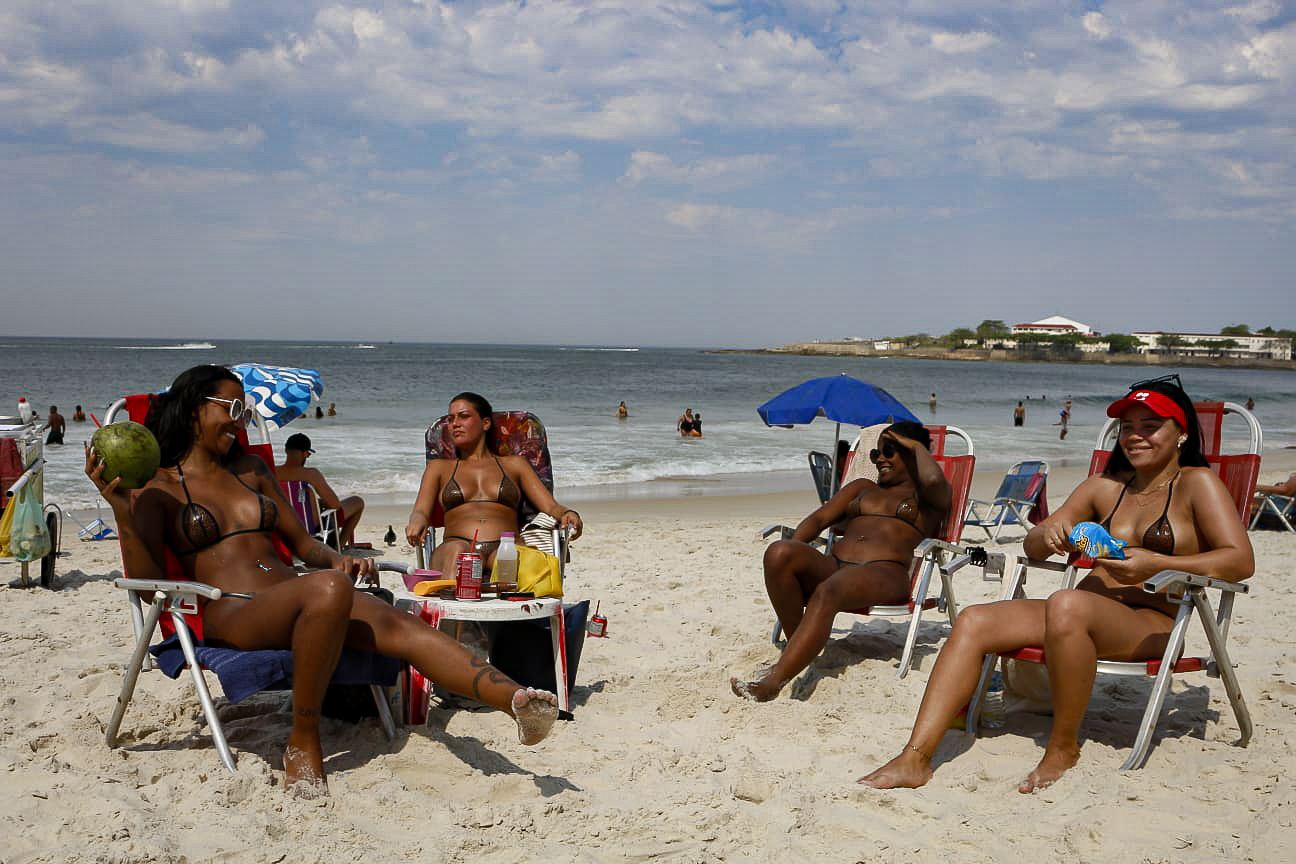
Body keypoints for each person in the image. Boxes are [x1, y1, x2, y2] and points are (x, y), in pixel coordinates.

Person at [85, 366, 557, 795]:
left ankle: (514, 700)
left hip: (300, 593)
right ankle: (302, 740)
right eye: (230, 409)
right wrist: (121, 512)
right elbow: (149, 587)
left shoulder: (252, 470)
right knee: (330, 588)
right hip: (232, 609)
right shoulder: (156, 488)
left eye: (244, 411)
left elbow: (305, 545)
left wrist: (338, 557)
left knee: (400, 625)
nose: (239, 421)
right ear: (193, 409)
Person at [861, 379, 1252, 793]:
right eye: (1127, 426)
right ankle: (915, 758)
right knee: (975, 620)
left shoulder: (1198, 485)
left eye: (1150, 426)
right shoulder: (1104, 488)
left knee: (1067, 603)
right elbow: (1034, 542)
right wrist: (1048, 536)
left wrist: (1157, 562)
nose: (1135, 436)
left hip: (1153, 622)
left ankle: (1063, 747)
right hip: (1077, 613)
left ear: (1182, 432)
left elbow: (1239, 560)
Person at [731, 422, 951, 702]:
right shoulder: (862, 487)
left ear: (912, 452)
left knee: (829, 590)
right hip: (835, 565)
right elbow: (819, 519)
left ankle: (772, 683)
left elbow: (933, 480)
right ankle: (800, 647)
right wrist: (795, 550)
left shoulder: (928, 496)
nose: (879, 458)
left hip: (885, 573)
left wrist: (918, 444)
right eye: (875, 453)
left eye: (889, 450)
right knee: (778, 553)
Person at [405, 392, 583, 575]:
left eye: (464, 416)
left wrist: (568, 513)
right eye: (450, 419)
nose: (455, 424)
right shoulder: (439, 468)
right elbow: (420, 511)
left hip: (506, 545)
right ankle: (449, 601)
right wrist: (416, 521)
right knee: (459, 552)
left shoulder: (515, 465)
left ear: (485, 423)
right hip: (456, 544)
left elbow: (551, 507)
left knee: (509, 556)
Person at [277, 432, 366, 549]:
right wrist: (322, 503)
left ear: (286, 451)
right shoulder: (311, 474)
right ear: (305, 454)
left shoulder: (272, 472)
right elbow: (335, 505)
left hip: (283, 530)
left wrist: (314, 502)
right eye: (308, 454)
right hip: (310, 529)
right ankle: (338, 548)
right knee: (357, 501)